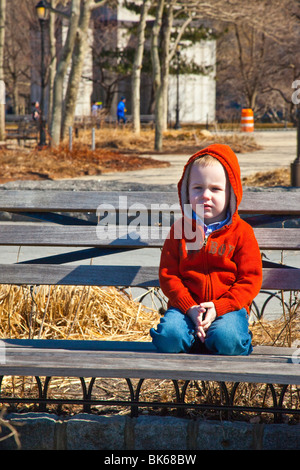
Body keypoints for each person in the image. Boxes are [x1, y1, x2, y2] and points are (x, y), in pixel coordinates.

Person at [150, 143, 263, 356]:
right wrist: (190, 308)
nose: (206, 195)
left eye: (216, 189)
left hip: (227, 309)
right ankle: (196, 337)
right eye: (197, 188)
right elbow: (169, 275)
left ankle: (217, 339)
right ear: (186, 191)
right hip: (186, 308)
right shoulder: (180, 230)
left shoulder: (242, 233)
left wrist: (219, 308)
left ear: (231, 192)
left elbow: (250, 279)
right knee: (169, 338)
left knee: (228, 340)